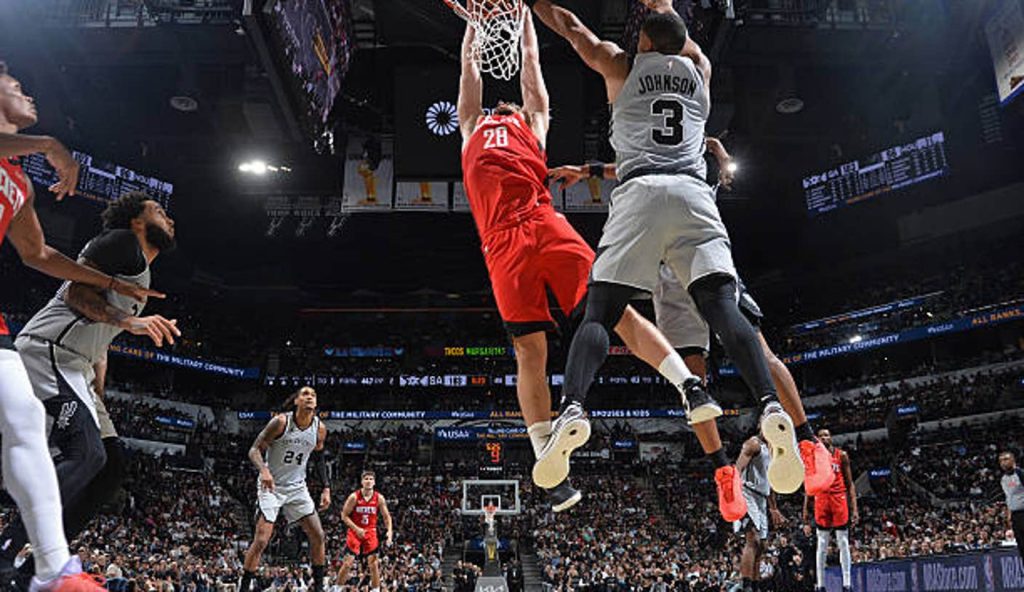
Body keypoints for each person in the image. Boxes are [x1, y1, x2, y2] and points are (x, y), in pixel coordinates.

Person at [458, 7, 744, 519]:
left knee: (614, 313)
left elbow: (529, 62)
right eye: (496, 106)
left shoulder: (533, 123)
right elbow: (469, 75)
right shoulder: (470, 126)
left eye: (510, 106)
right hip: (501, 241)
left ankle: (688, 384)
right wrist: (476, 28)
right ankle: (550, 457)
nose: (503, 106)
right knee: (529, 350)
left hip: (543, 223)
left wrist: (521, 14)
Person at [527, 0, 803, 501]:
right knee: (723, 307)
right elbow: (686, 43)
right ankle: (768, 404)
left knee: (601, 310)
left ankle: (572, 406)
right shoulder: (701, 71)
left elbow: (570, 28)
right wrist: (668, 9)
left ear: (646, 43)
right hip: (693, 198)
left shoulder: (621, 65)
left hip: (640, 193)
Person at [550, 149, 834, 496]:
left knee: (694, 380)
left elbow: (632, 165)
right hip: (701, 258)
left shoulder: (672, 152)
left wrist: (587, 169)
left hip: (675, 271)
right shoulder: (692, 151)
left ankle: (726, 471)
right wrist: (589, 170)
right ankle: (804, 441)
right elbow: (645, 161)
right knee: (753, 358)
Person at [0, 59, 158, 592]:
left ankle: (40, 567)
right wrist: (50, 145)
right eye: (16, 86)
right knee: (72, 446)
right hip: (47, 347)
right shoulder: (28, 153)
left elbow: (40, 253)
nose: (29, 94)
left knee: (31, 426)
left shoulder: (18, 182)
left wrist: (119, 292)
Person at [240, 387, 331, 592]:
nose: (310, 397)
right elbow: (254, 449)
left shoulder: (319, 429)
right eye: (305, 394)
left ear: (316, 403)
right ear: (296, 401)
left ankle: (318, 588)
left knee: (318, 535)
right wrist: (263, 470)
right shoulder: (281, 422)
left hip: (297, 487)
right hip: (271, 485)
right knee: (262, 539)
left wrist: (326, 487)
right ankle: (244, 586)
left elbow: (318, 457)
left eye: (313, 395)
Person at [804, 429, 857, 592]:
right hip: (821, 498)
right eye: (821, 436)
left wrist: (854, 508)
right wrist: (805, 508)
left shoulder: (841, 456)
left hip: (838, 498)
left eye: (827, 435)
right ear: (818, 440)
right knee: (821, 543)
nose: (825, 437)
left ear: (831, 438)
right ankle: (820, 585)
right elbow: (809, 482)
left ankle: (847, 583)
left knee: (842, 541)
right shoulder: (814, 456)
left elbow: (850, 484)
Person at [734, 434, 785, 592]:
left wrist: (774, 508)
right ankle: (746, 586)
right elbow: (737, 469)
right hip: (747, 492)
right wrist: (734, 495)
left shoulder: (774, 450)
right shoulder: (754, 444)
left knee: (762, 546)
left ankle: (755, 586)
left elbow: (771, 482)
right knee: (752, 540)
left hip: (762, 497)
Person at [336, 471, 393, 592]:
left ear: (374, 482)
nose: (368, 481)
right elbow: (344, 516)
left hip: (370, 531)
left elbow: (387, 517)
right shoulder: (354, 497)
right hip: (355, 531)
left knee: (374, 563)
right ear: (362, 482)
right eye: (366, 479)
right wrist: (357, 529)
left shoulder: (379, 498)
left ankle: (376, 590)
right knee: (348, 563)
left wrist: (390, 533)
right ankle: (336, 589)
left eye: (371, 479)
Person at [999, 451, 1024, 564]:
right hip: (1015, 516)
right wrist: (1009, 515)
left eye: (1006, 459)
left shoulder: (1020, 473)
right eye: (1001, 460)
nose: (1003, 462)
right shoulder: (1003, 479)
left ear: (1013, 460)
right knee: (1022, 547)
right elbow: (1008, 497)